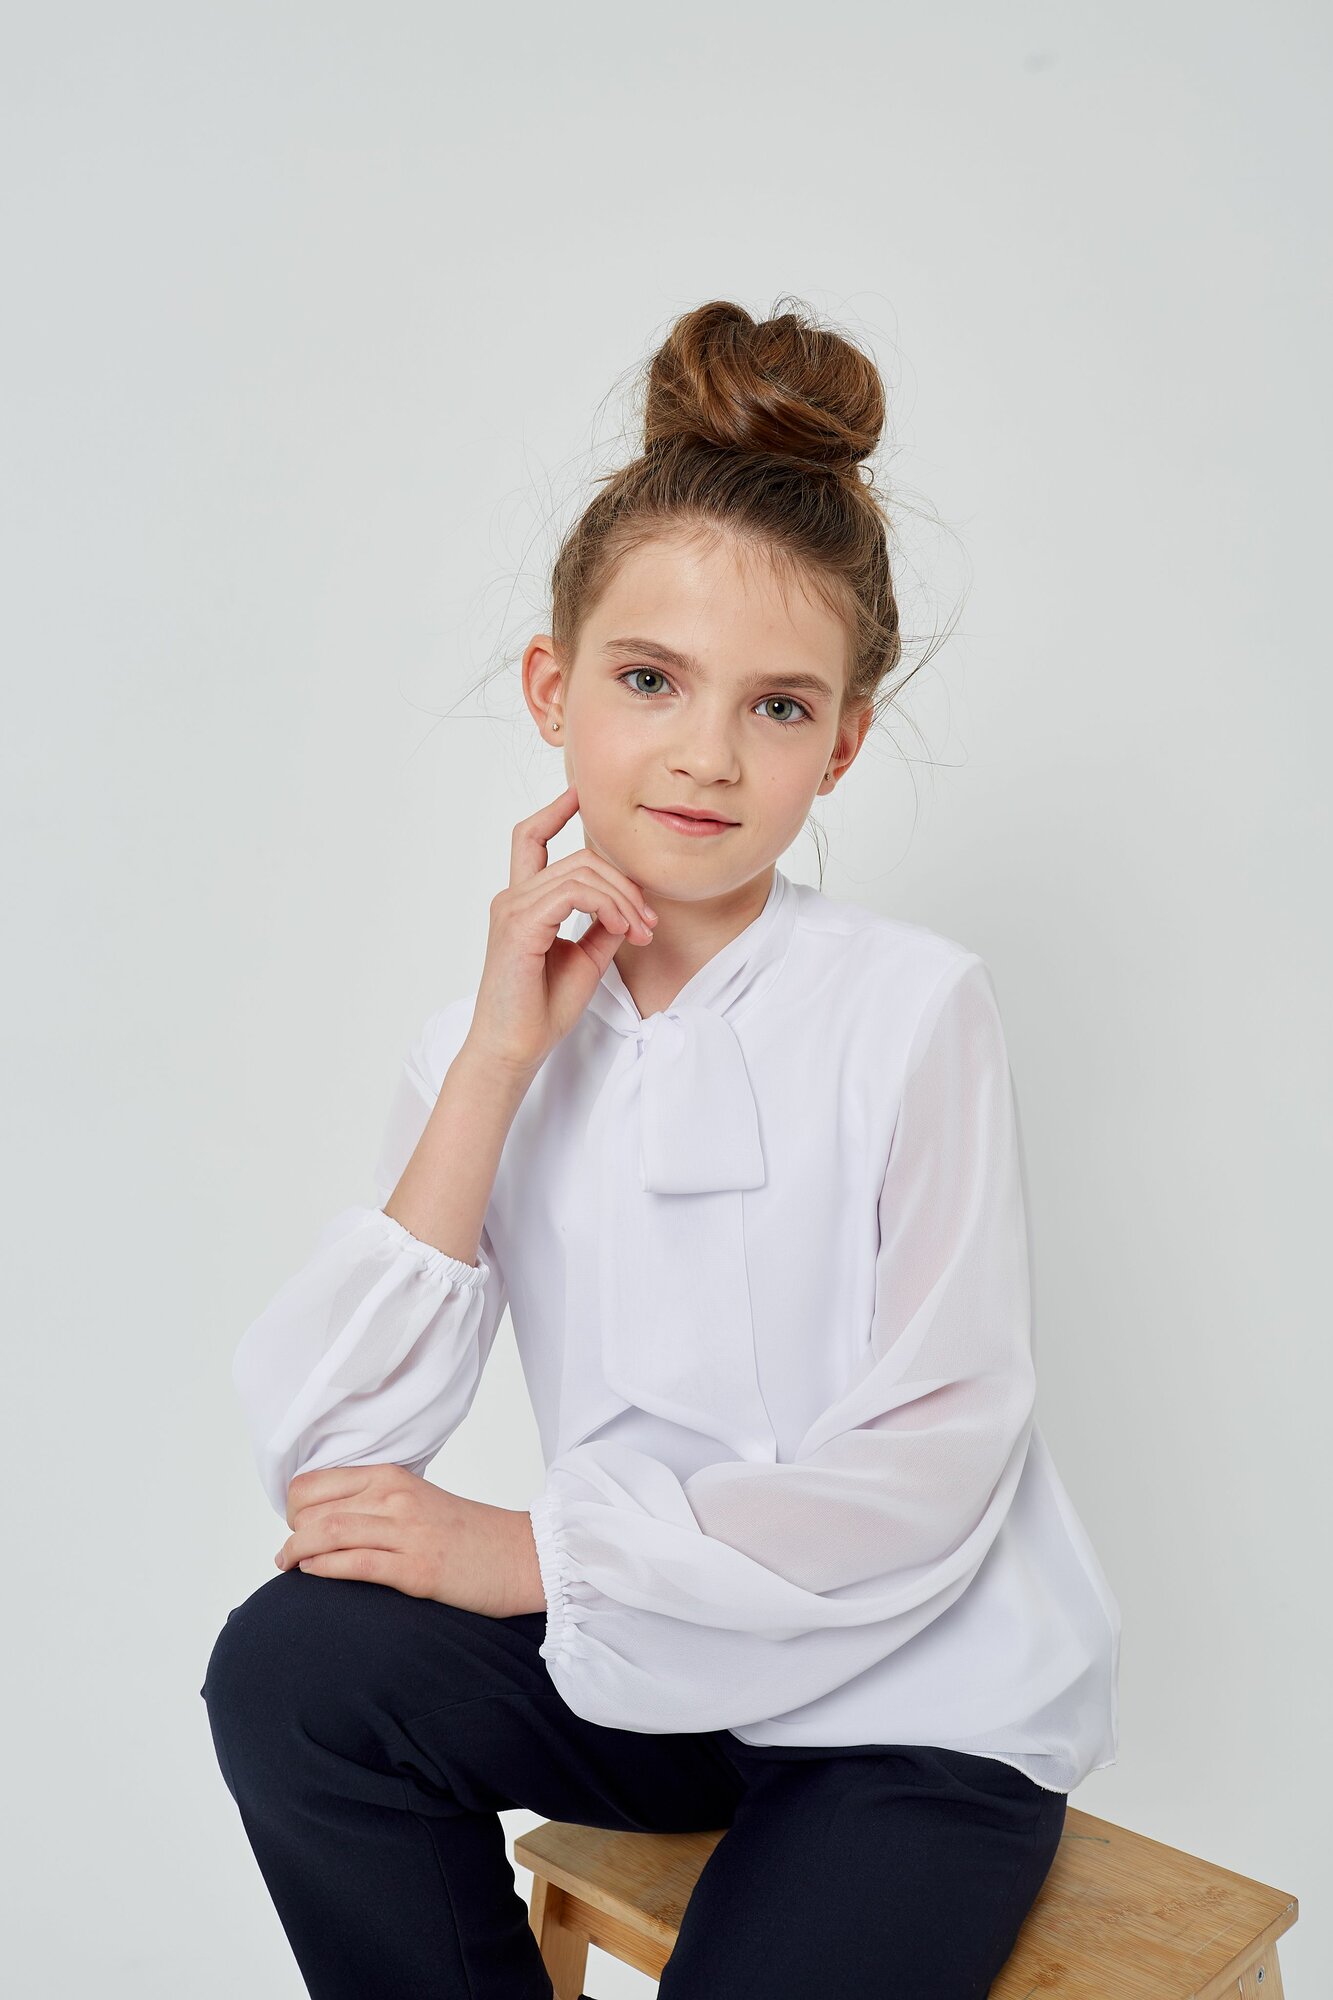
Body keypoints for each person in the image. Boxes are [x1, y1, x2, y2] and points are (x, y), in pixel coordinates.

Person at [200, 297, 1121, 1999]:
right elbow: (332, 1471)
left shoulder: (911, 1007)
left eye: (777, 707)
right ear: (552, 689)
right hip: (655, 1669)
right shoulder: (479, 1043)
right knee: (291, 1666)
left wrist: (535, 1554)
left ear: (842, 740)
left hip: (907, 1704)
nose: (705, 753)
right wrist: (499, 1058)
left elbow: (937, 1454)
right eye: (648, 680)